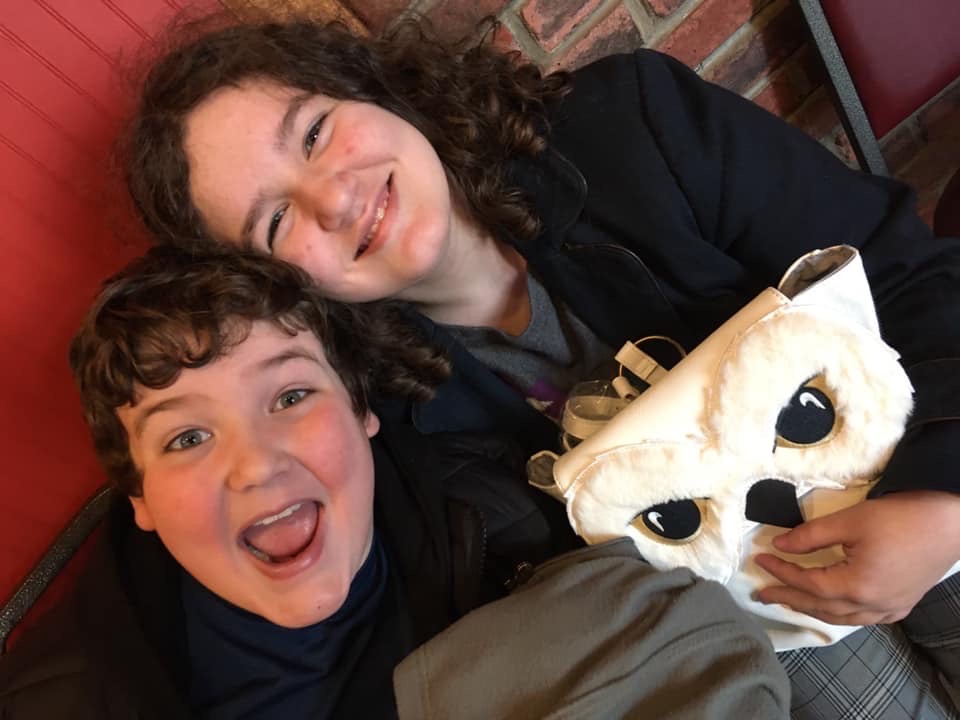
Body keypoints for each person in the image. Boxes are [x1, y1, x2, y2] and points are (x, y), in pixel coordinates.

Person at [121, 15, 960, 718]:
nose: (335, 200)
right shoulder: (382, 427)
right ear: (275, 282)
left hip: (912, 447)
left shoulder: (633, 122)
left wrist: (939, 501)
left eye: (314, 132)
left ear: (368, 89)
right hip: (760, 617)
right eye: (275, 222)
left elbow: (912, 275)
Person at [0, 245, 790, 719]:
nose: (257, 464)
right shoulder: (66, 699)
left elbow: (702, 650)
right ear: (138, 498)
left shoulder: (502, 510)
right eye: (187, 437)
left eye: (290, 395)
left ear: (361, 411)